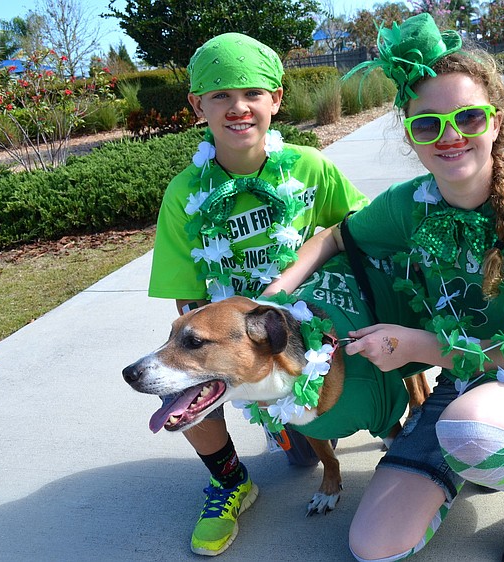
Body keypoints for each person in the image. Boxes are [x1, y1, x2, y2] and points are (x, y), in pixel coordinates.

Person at [264, 13, 504, 562]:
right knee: (372, 545)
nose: (449, 137)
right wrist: (277, 291)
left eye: (467, 117)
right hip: (463, 384)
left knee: (468, 430)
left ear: (496, 121)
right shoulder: (410, 204)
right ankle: (477, 452)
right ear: (411, 134)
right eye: (427, 124)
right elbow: (334, 238)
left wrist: (418, 347)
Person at [146, 32, 368, 556]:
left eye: (252, 93)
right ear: (197, 105)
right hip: (243, 344)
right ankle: (230, 482)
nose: (238, 107)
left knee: (324, 434)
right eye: (220, 95)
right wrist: (227, 361)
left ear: (277, 100)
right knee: (176, 383)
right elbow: (187, 302)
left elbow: (360, 229)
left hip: (317, 331)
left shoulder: (311, 167)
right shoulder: (185, 193)